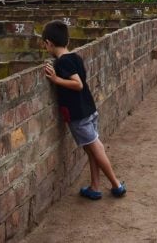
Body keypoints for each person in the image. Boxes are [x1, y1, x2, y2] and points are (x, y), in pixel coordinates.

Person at [42, 20, 127, 200]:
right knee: (91, 150)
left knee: (96, 148)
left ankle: (116, 184)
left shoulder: (62, 63)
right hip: (88, 108)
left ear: (48, 43)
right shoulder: (75, 57)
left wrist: (56, 80)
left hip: (78, 115)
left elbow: (77, 84)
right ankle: (95, 187)